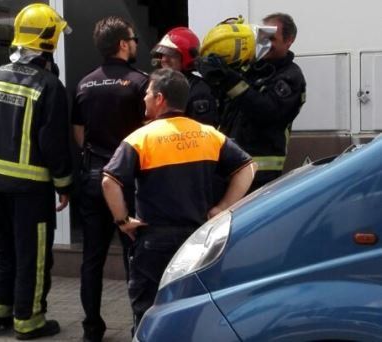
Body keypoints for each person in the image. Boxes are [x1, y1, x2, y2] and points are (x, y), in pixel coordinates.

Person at [101, 68, 256, 333]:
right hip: (197, 240)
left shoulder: (140, 138)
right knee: (192, 311)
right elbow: (248, 167)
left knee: (149, 313)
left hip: (154, 243)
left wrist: (123, 220)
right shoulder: (208, 134)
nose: (145, 99)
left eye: (148, 94)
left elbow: (109, 181)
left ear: (160, 99)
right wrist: (222, 208)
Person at [0, 3, 73, 340]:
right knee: (32, 255)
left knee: (4, 250)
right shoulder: (48, 85)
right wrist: (64, 183)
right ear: (47, 40)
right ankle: (29, 321)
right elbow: (54, 143)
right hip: (30, 188)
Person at [71, 16, 147, 342]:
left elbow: (79, 133)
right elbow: (150, 133)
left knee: (92, 258)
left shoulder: (84, 83)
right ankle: (138, 327)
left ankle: (91, 330)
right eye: (133, 39)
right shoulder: (141, 82)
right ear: (121, 44)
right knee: (134, 257)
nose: (135, 45)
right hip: (128, 181)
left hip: (93, 176)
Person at [198, 13, 306, 192]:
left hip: (260, 175)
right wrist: (212, 74)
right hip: (229, 168)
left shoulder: (290, 77)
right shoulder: (250, 68)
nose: (265, 44)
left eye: (272, 38)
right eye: (262, 37)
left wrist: (229, 78)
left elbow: (267, 112)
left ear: (289, 41)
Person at [151, 27, 218, 126]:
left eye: (171, 54)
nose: (164, 60)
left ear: (186, 57)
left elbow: (202, 133)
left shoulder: (199, 91)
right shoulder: (159, 86)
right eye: (162, 55)